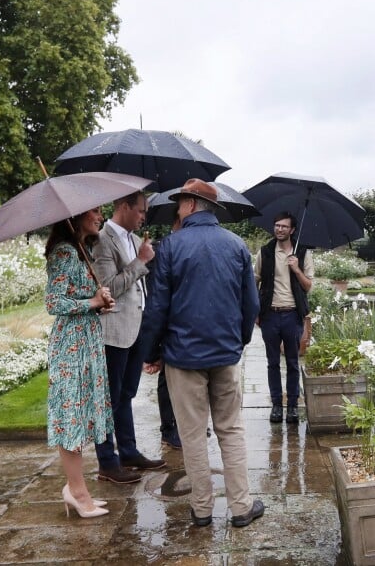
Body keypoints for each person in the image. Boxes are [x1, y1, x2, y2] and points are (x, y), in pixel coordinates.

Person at [142, 178, 264, 528]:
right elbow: (250, 304)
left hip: (183, 358)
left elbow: (157, 308)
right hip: (225, 356)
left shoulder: (170, 247)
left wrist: (152, 352)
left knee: (193, 434)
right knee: (231, 430)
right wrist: (237, 343)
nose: (178, 206)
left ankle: (202, 508)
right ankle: (241, 507)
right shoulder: (237, 245)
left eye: (181, 201)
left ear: (193, 205)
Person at [92, 192, 166, 484]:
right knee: (108, 399)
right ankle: (107, 463)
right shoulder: (102, 239)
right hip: (114, 331)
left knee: (126, 395)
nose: (143, 216)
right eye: (140, 210)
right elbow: (109, 287)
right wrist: (140, 262)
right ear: (123, 207)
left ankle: (129, 451)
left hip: (136, 330)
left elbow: (140, 288)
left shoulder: (136, 241)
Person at [44, 207, 114, 518]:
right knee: (71, 415)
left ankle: (77, 488)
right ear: (76, 217)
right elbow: (53, 302)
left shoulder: (81, 250)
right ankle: (76, 491)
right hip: (71, 346)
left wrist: (99, 303)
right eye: (96, 212)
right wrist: (92, 302)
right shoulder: (64, 252)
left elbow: (78, 297)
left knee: (83, 412)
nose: (101, 217)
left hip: (86, 340)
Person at [254, 212, 314, 424]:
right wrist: (256, 311)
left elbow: (308, 286)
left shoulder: (303, 253)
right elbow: (256, 281)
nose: (279, 229)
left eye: (284, 226)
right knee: (272, 363)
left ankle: (293, 407)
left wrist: (296, 269)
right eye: (276, 225)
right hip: (270, 315)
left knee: (292, 362)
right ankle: (277, 406)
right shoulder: (265, 251)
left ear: (292, 230)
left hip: (292, 315)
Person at [144, 212, 182, 450]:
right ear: (176, 222)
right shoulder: (159, 249)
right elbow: (154, 293)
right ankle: (168, 428)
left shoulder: (189, 247)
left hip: (184, 323)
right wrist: (151, 348)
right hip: (166, 322)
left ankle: (186, 424)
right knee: (166, 380)